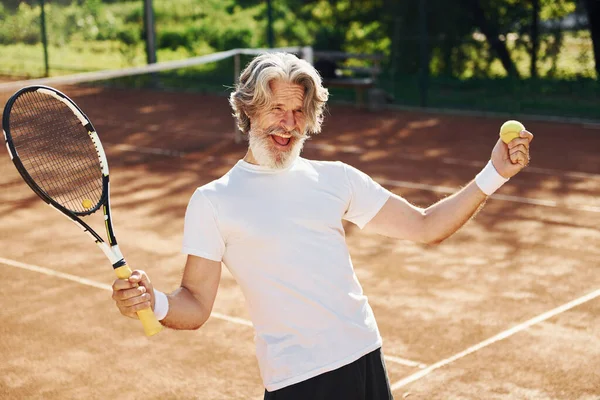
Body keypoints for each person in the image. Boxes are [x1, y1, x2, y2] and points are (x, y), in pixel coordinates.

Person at [112, 52, 533, 399]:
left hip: (365, 358)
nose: (289, 124)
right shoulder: (213, 201)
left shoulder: (336, 178)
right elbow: (196, 304)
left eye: (299, 111)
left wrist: (494, 173)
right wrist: (156, 304)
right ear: (247, 109)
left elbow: (425, 226)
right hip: (298, 381)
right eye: (277, 108)